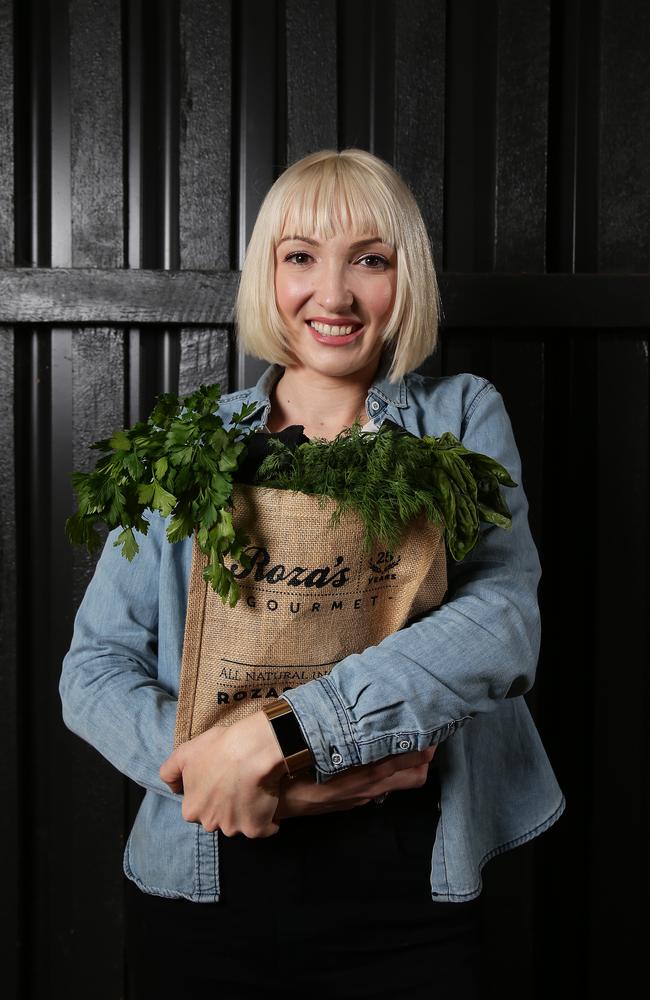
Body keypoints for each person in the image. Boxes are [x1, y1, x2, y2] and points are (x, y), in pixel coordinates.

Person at [60, 148, 565, 998]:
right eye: (301, 257)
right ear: (269, 274)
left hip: (409, 890)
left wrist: (280, 735)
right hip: (206, 881)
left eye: (369, 260)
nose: (333, 296)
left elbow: (502, 621)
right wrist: (236, 779)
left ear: (405, 280)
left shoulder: (460, 417)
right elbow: (94, 668)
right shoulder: (195, 442)